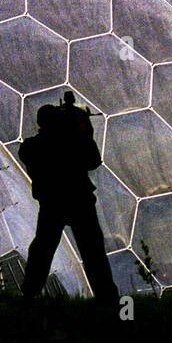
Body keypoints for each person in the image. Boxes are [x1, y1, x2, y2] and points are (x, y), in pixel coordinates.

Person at [18, 91, 119, 303]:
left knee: (43, 249)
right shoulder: (71, 143)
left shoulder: (32, 146)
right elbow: (93, 160)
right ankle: (107, 298)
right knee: (92, 252)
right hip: (78, 201)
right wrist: (83, 130)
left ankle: (29, 294)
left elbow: (30, 153)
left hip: (52, 204)